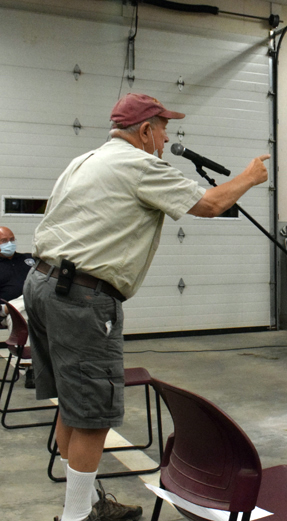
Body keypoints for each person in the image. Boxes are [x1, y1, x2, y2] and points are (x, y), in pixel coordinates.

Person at [24, 93, 270, 521]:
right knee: (93, 415)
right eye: (163, 128)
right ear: (145, 131)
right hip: (81, 297)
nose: (166, 137)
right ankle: (76, 517)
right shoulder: (139, 165)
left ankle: (82, 505)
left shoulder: (85, 160)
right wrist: (249, 177)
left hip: (43, 284)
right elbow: (210, 205)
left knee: (72, 401)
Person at [0, 226, 36, 387]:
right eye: (3, 241)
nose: (9, 243)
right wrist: (6, 308)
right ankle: (31, 369)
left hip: (37, 305)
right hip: (5, 311)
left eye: (11, 239)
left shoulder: (29, 259)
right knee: (21, 311)